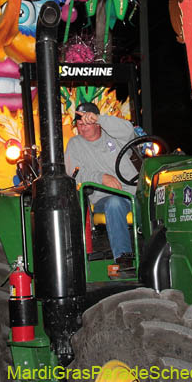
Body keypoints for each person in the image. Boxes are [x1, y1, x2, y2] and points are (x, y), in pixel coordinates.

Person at [64, 102, 138, 268]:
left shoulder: (114, 136)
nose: (82, 128)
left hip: (133, 195)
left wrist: (101, 118)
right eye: (79, 124)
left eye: (87, 123)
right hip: (104, 200)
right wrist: (100, 177)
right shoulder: (75, 144)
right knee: (114, 202)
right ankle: (123, 258)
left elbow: (128, 130)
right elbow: (73, 173)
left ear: (97, 122)